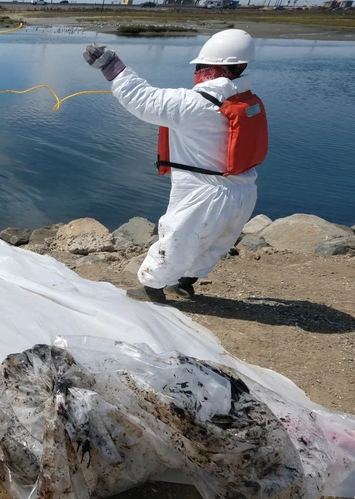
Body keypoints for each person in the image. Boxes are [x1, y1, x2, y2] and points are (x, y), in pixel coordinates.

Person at [83, 29, 267, 303]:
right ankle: (183, 284)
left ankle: (151, 290)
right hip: (242, 191)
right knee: (213, 244)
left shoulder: (198, 104)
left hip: (206, 194)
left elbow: (143, 99)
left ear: (209, 67)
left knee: (177, 239)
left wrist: (112, 67)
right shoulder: (243, 99)